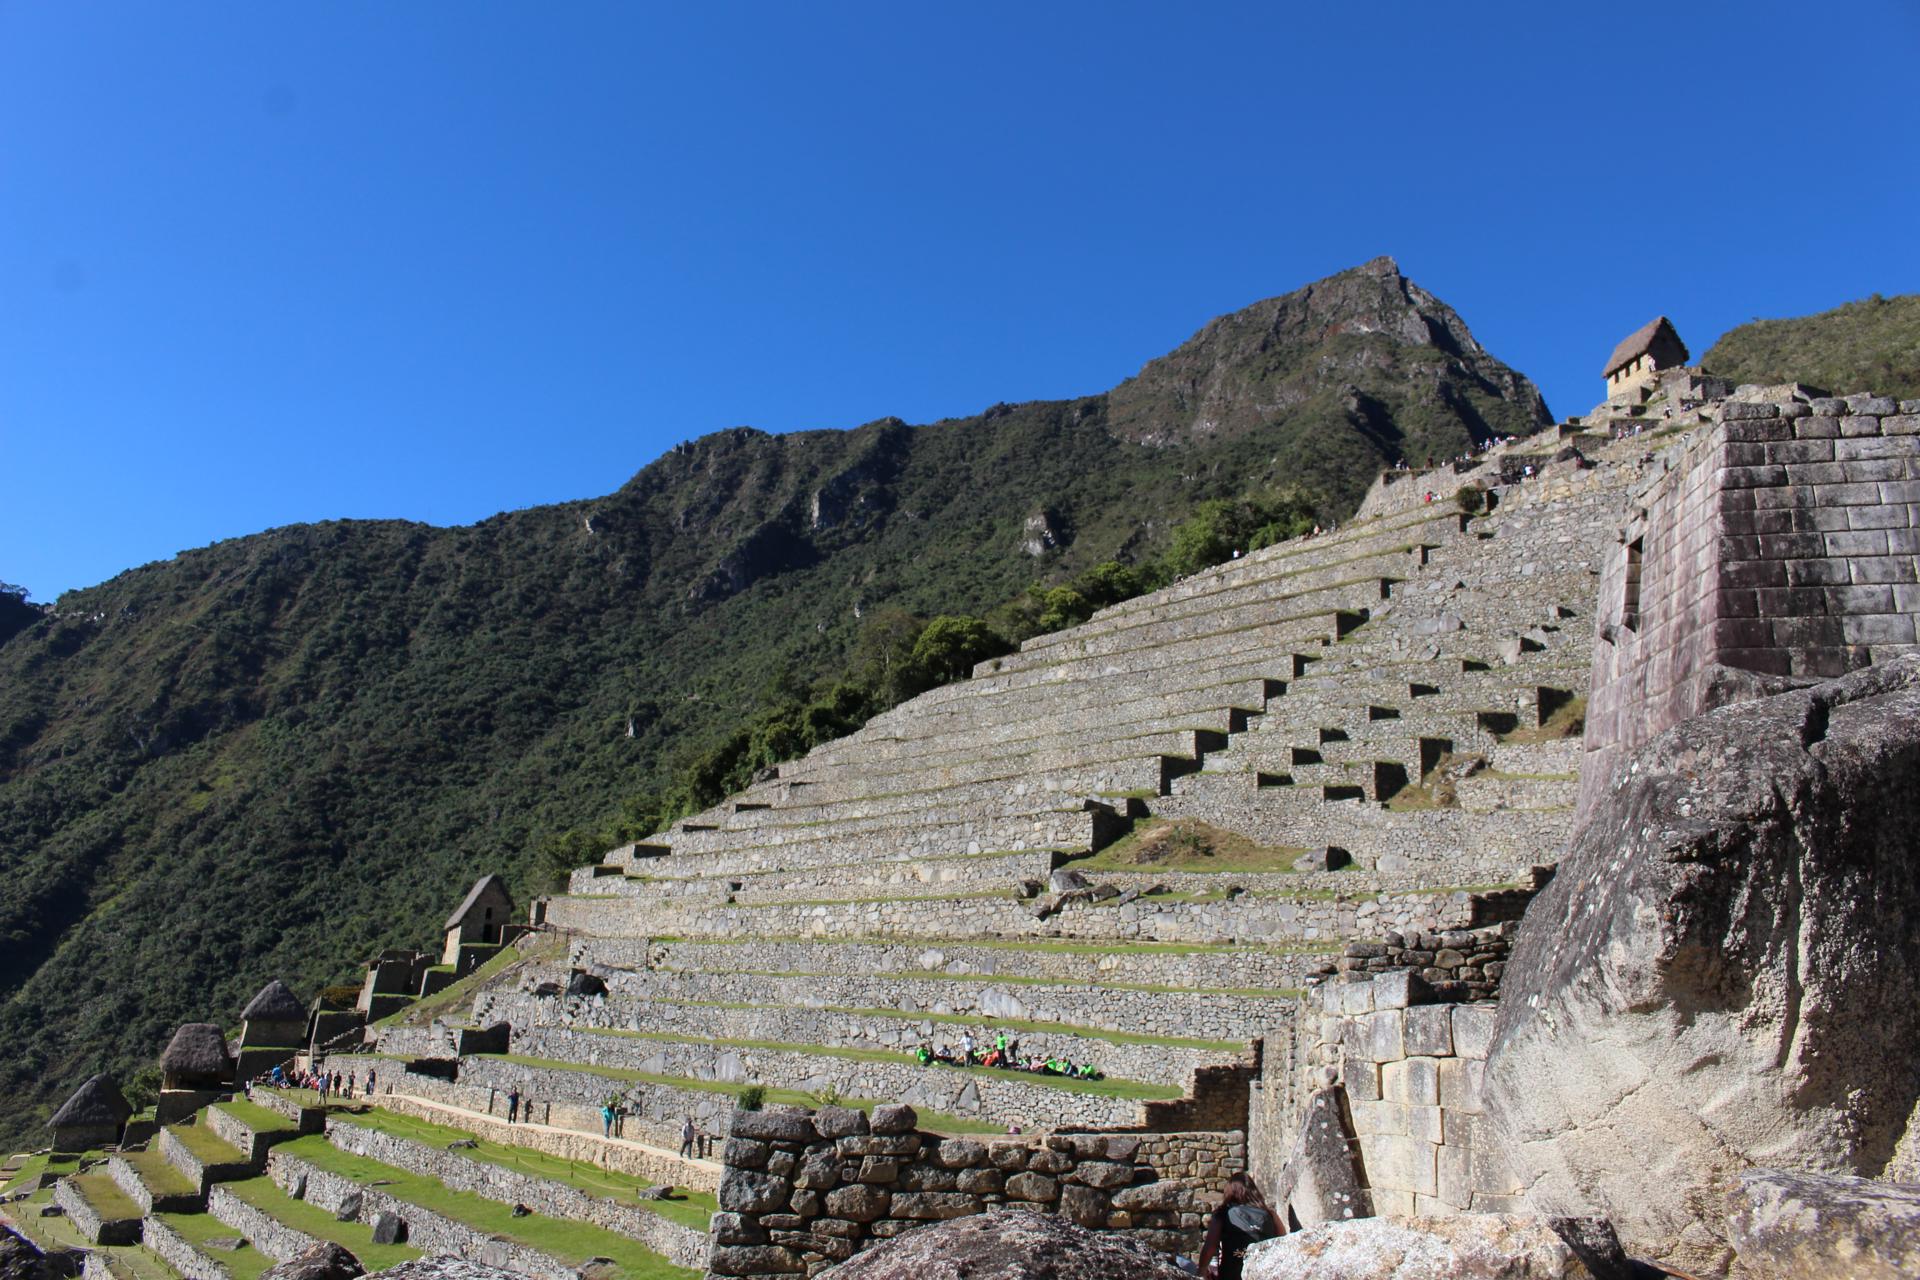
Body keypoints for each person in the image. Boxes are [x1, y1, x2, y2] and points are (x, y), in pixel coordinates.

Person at [1197, 1173, 1277, 1280]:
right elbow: (1282, 1239)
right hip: (1264, 1273)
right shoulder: (1269, 1214)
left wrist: (1201, 1270)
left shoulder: (1223, 1213)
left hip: (1232, 1274)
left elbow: (1210, 1247)